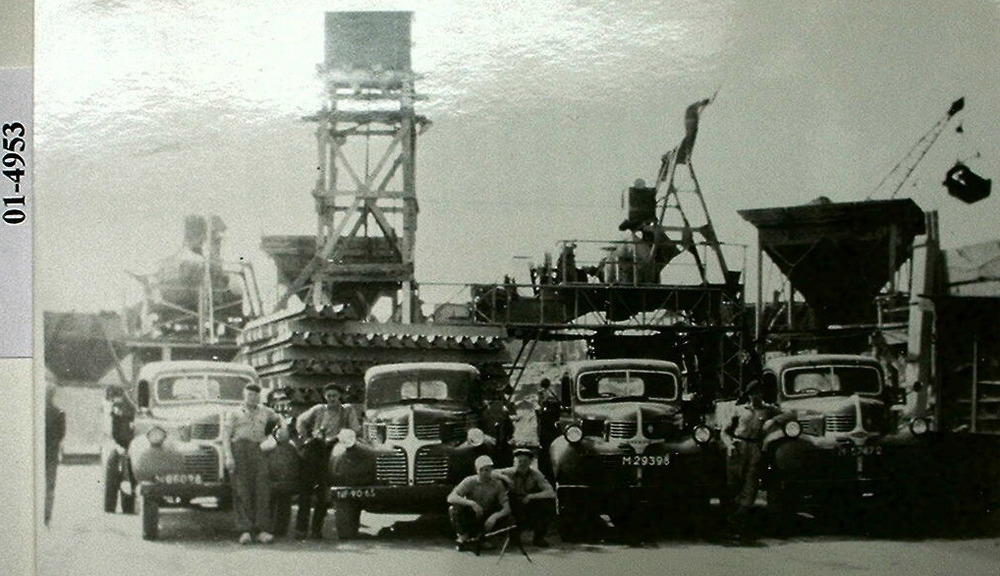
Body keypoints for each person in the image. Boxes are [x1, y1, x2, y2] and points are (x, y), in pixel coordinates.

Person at [293, 381, 361, 539]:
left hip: (334, 451)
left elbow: (355, 429)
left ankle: (316, 529)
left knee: (323, 493)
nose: (332, 399)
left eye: (335, 396)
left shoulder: (347, 410)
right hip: (316, 449)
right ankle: (300, 529)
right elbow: (301, 420)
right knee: (305, 488)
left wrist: (342, 435)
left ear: (340, 396)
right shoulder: (318, 409)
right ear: (325, 397)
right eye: (329, 396)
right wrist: (306, 436)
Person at [222, 382, 282, 544]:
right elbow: (226, 436)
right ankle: (245, 530)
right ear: (244, 395)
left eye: (256, 395)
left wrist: (274, 438)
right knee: (242, 489)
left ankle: (262, 530)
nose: (253, 398)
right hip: (240, 449)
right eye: (250, 395)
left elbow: (280, 423)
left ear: (259, 396)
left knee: (262, 489)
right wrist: (228, 456)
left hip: (259, 449)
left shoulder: (266, 412)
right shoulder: (234, 413)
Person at [721, 380, 780, 543]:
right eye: (753, 393)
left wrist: (773, 421)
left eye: (758, 392)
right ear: (748, 395)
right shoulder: (739, 410)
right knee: (733, 487)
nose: (756, 396)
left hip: (755, 448)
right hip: (737, 447)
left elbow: (790, 414)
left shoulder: (768, 410)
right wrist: (729, 444)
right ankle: (732, 526)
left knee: (750, 487)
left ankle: (736, 522)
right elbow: (724, 432)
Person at [494, 447, 556, 547]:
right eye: (519, 461)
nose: (522, 464)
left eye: (525, 461)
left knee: (546, 503)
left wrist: (531, 496)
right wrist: (505, 478)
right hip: (512, 502)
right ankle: (514, 537)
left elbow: (550, 492)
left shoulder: (536, 474)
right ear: (514, 462)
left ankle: (539, 537)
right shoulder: (509, 472)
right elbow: (491, 473)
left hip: (527, 501)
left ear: (530, 462)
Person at [447, 455, 511, 551]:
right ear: (477, 470)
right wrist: (472, 503)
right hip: (472, 513)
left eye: (488, 470)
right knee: (454, 509)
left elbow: (507, 508)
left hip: (487, 513)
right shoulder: (470, 481)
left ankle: (482, 537)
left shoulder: (498, 484)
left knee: (506, 518)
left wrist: (494, 517)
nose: (485, 473)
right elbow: (451, 497)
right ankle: (463, 536)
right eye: (482, 470)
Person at [44, 382, 66, 527]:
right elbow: (62, 435)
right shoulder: (59, 414)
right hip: (51, 454)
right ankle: (47, 517)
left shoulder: (36, 412)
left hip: (39, 453)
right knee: (50, 486)